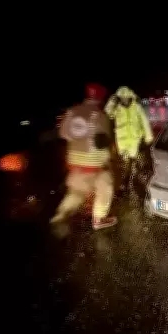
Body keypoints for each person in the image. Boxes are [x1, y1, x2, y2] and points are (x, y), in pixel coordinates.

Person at [50, 83, 118, 230]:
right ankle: (99, 219)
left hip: (74, 161)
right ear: (101, 98)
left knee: (77, 191)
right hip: (94, 162)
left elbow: (63, 133)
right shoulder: (101, 116)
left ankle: (61, 215)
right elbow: (103, 142)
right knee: (105, 186)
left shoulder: (72, 111)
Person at [105, 86, 154, 194]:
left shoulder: (136, 107)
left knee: (135, 161)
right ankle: (125, 182)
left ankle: (135, 182)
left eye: (126, 97)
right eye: (122, 98)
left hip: (135, 140)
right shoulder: (116, 108)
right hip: (122, 142)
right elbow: (107, 112)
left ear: (130, 97)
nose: (124, 100)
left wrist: (148, 137)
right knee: (126, 163)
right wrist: (112, 101)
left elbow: (144, 121)